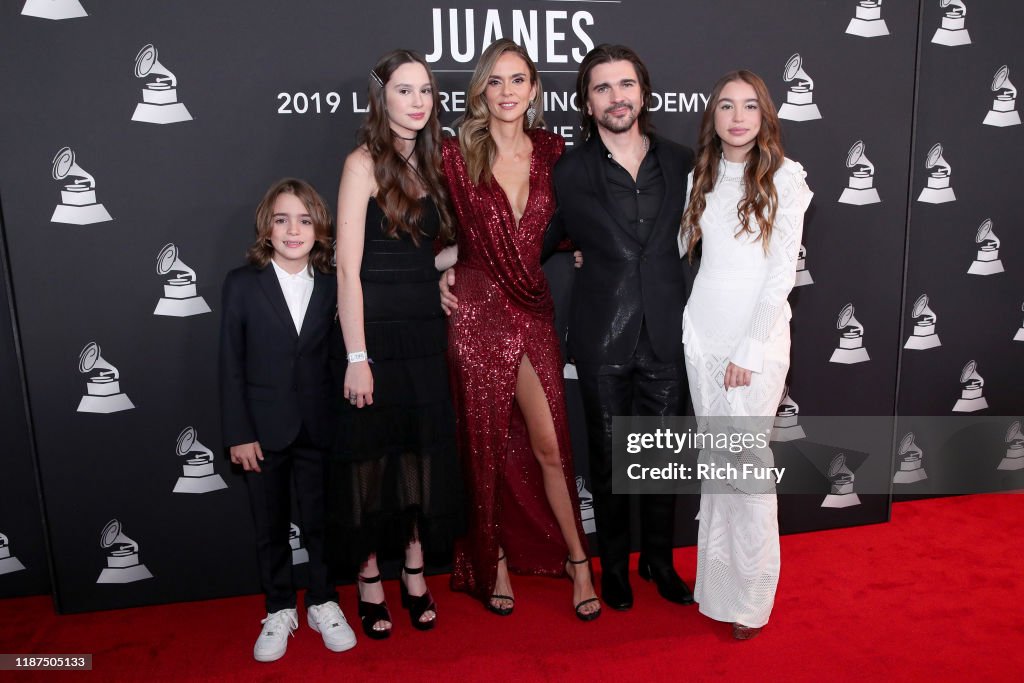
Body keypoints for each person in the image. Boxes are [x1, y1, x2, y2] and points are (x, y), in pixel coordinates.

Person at [438, 38, 600, 621]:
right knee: (483, 447)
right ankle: (494, 559)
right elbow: (430, 230)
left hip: (531, 306)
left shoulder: (556, 152)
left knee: (550, 444)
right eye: (495, 81)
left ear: (534, 89)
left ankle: (577, 559)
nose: (507, 92)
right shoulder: (454, 155)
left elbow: (575, 219)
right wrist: (442, 270)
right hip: (477, 308)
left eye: (518, 80)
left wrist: (586, 246)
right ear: (481, 89)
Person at [540, 44, 695, 611]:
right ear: (586, 101)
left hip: (668, 333)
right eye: (602, 88)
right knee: (607, 461)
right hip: (602, 335)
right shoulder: (569, 171)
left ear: (643, 92)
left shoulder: (682, 161)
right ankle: (616, 568)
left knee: (661, 459)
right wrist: (449, 268)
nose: (616, 97)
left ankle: (659, 559)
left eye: (625, 85)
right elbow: (536, 237)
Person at [330, 49, 461, 640]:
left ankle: (413, 572)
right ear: (381, 98)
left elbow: (426, 254)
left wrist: (462, 262)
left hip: (425, 334)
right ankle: (367, 579)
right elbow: (347, 269)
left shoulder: (435, 163)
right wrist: (357, 357)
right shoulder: (363, 163)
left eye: (426, 91)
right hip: (375, 335)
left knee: (418, 457)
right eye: (405, 91)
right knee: (371, 461)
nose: (417, 102)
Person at [680, 70, 812, 640]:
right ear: (713, 117)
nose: (738, 117)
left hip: (751, 343)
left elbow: (782, 273)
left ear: (765, 117)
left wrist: (750, 347)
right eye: (727, 106)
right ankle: (717, 587)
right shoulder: (700, 176)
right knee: (718, 464)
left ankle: (753, 600)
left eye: (750, 107)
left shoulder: (787, 178)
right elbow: (680, 249)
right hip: (701, 335)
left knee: (747, 467)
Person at [220, 178, 356, 662]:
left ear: (319, 228)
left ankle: (323, 601)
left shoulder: (333, 286)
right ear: (267, 227)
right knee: (270, 526)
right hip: (262, 431)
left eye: (304, 219)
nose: (293, 229)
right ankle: (280, 607)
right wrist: (239, 433)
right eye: (282, 219)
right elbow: (230, 365)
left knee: (321, 523)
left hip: (319, 426)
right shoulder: (242, 284)